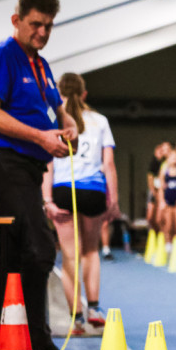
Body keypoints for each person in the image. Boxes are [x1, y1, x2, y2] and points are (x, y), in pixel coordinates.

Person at [0, 0, 78, 350]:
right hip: (2, 162)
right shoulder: (2, 57)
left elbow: (56, 107)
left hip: (28, 168)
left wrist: (67, 124)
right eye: (36, 24)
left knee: (11, 257)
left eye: (48, 26)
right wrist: (40, 137)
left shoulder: (42, 65)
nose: (43, 32)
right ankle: (38, 345)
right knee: (40, 248)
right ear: (16, 21)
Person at [41, 72, 118, 335]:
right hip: (93, 190)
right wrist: (114, 200)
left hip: (63, 189)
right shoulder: (100, 121)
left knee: (70, 255)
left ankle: (76, 319)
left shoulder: (54, 119)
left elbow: (47, 163)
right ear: (84, 94)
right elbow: (108, 164)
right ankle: (94, 309)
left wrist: (47, 199)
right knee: (90, 251)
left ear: (59, 94)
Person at [146, 141, 171, 240]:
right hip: (155, 191)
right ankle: (156, 237)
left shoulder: (167, 163)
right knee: (151, 217)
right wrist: (154, 191)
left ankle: (164, 239)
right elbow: (150, 178)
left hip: (164, 192)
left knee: (161, 218)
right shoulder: (154, 163)